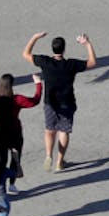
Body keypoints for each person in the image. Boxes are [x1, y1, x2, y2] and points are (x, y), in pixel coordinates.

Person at [22, 31, 96, 172]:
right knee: (64, 131)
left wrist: (34, 37)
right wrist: (87, 44)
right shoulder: (71, 64)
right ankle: (59, 162)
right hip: (67, 102)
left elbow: (26, 54)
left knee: (50, 130)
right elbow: (92, 62)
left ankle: (48, 154)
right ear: (64, 49)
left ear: (52, 49)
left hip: (50, 102)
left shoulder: (45, 62)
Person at [0, 73, 41, 191]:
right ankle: (12, 183)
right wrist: (38, 84)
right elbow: (35, 100)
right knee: (15, 158)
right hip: (14, 133)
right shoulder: (17, 100)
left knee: (0, 158)